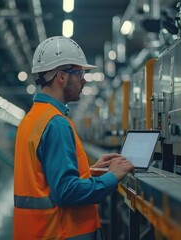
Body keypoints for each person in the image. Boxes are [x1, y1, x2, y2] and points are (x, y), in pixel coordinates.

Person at [13, 36, 134, 240]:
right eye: (80, 73)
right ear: (61, 77)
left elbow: (46, 179)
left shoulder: (32, 118)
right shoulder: (55, 123)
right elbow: (66, 192)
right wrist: (111, 178)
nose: (84, 80)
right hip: (58, 232)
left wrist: (90, 172)